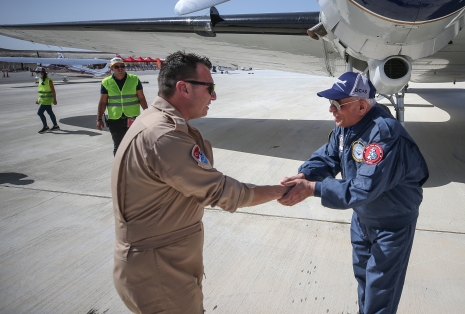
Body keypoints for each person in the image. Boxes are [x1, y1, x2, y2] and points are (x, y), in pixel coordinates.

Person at [112, 51, 288, 314]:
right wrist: (280, 191)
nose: (214, 96)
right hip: (160, 269)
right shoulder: (164, 136)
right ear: (183, 88)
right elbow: (224, 192)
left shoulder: (157, 123)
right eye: (210, 87)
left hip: (163, 261)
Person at [279, 72, 429, 314]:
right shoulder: (346, 126)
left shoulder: (384, 135)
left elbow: (362, 188)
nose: (331, 109)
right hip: (362, 218)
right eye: (330, 103)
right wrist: (306, 175)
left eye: (337, 104)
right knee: (364, 279)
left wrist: (312, 189)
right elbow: (328, 156)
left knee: (381, 292)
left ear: (361, 106)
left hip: (391, 224)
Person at [96, 57, 148, 155]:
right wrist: (99, 119)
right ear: (111, 68)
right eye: (117, 66)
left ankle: (133, 167)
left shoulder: (134, 79)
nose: (120, 68)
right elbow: (102, 102)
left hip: (132, 117)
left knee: (134, 144)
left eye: (122, 66)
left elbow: (141, 97)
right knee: (118, 146)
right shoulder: (106, 82)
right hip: (115, 119)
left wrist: (147, 111)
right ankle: (119, 169)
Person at [36, 68, 59, 133]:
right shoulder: (40, 80)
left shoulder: (49, 81)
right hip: (43, 100)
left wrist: (55, 99)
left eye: (38, 72)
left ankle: (45, 127)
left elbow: (53, 91)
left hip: (47, 100)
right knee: (50, 112)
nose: (37, 73)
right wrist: (38, 100)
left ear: (42, 73)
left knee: (40, 113)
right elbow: (41, 91)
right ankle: (55, 125)